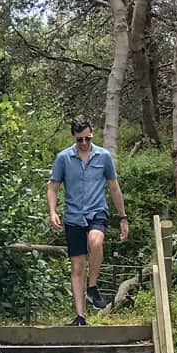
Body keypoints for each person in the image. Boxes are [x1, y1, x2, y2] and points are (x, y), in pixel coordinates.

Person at [47, 116, 129, 324]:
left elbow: (113, 187)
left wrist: (123, 217)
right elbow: (53, 187)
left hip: (97, 212)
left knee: (96, 242)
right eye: (79, 140)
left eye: (87, 139)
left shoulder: (104, 157)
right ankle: (80, 316)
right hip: (73, 216)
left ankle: (92, 287)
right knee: (77, 267)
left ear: (92, 134)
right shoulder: (63, 158)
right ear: (73, 137)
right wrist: (52, 211)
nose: (84, 143)